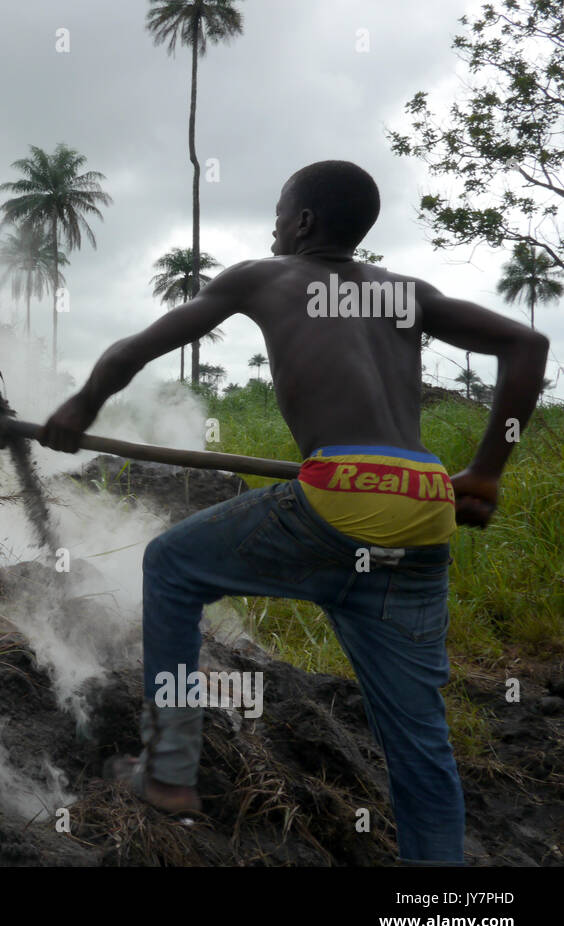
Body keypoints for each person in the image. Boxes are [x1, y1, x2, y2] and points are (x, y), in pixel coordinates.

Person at [37, 160, 550, 865]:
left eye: (280, 210)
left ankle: (169, 771)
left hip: (336, 498)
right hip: (423, 508)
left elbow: (139, 348)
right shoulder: (406, 293)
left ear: (303, 222)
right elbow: (528, 344)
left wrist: (80, 408)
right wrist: (485, 473)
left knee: (172, 564)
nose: (274, 224)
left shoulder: (264, 278)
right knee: (420, 745)